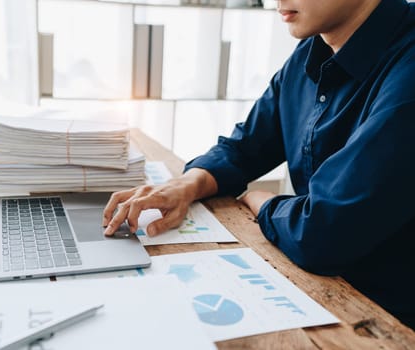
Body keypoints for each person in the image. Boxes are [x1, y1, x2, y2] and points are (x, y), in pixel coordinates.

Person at [103, 0, 415, 329]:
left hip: (387, 320)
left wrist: (261, 201)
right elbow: (246, 147)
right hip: (322, 290)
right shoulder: (312, 51)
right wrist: (186, 185)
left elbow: (323, 232)